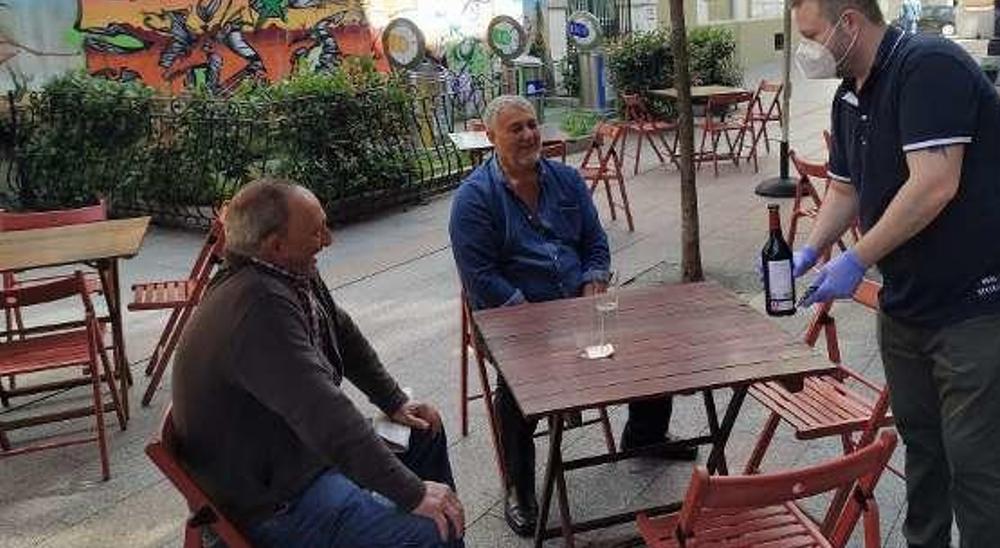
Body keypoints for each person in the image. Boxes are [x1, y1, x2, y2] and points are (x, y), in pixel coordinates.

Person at [788, 1, 1000, 547]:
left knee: (979, 471)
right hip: (911, 304)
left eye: (812, 35)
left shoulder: (928, 67)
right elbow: (845, 188)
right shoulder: (849, 96)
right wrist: (810, 250)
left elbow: (934, 183)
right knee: (924, 455)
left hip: (984, 304)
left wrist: (857, 259)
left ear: (850, 23)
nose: (806, 51)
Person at [447, 95, 696, 537]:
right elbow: (480, 277)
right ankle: (519, 487)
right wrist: (534, 317)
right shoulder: (474, 200)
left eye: (531, 125)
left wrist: (594, 280)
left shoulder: (566, 180)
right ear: (490, 138)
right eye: (515, 129)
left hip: (579, 304)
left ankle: (644, 435)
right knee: (517, 385)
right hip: (514, 315)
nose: (528, 135)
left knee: (651, 340)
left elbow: (595, 243)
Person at [171, 179, 465, 547]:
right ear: (275, 245)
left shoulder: (288, 271)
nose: (328, 240)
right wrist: (413, 494)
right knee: (436, 528)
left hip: (295, 457)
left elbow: (340, 330)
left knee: (424, 432)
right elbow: (324, 412)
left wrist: (393, 400)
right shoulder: (258, 308)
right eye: (316, 232)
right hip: (275, 503)